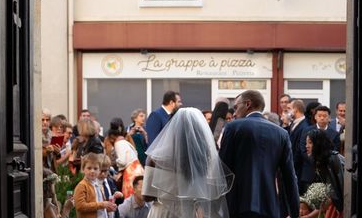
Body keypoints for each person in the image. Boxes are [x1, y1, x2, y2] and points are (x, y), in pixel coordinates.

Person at [219, 90, 299, 218]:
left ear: (247, 104)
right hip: (269, 206)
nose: (234, 113)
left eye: (236, 107)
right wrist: (295, 213)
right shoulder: (281, 133)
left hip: (237, 205)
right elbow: (289, 177)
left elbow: (223, 169)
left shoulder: (233, 127)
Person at [142, 107, 234, 217]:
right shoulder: (205, 158)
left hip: (163, 212)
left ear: (171, 128)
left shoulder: (154, 158)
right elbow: (208, 191)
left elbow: (146, 197)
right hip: (189, 212)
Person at [304, 129, 344, 218]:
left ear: (318, 144)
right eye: (306, 143)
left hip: (340, 202)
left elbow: (334, 192)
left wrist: (309, 216)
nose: (306, 146)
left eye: (310, 143)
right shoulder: (321, 160)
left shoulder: (331, 159)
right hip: (335, 202)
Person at [74, 152, 120, 218]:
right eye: (89, 168)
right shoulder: (82, 185)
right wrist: (102, 205)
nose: (92, 171)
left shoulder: (97, 185)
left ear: (99, 170)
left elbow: (98, 207)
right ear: (83, 169)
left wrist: (108, 207)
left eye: (95, 168)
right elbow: (80, 206)